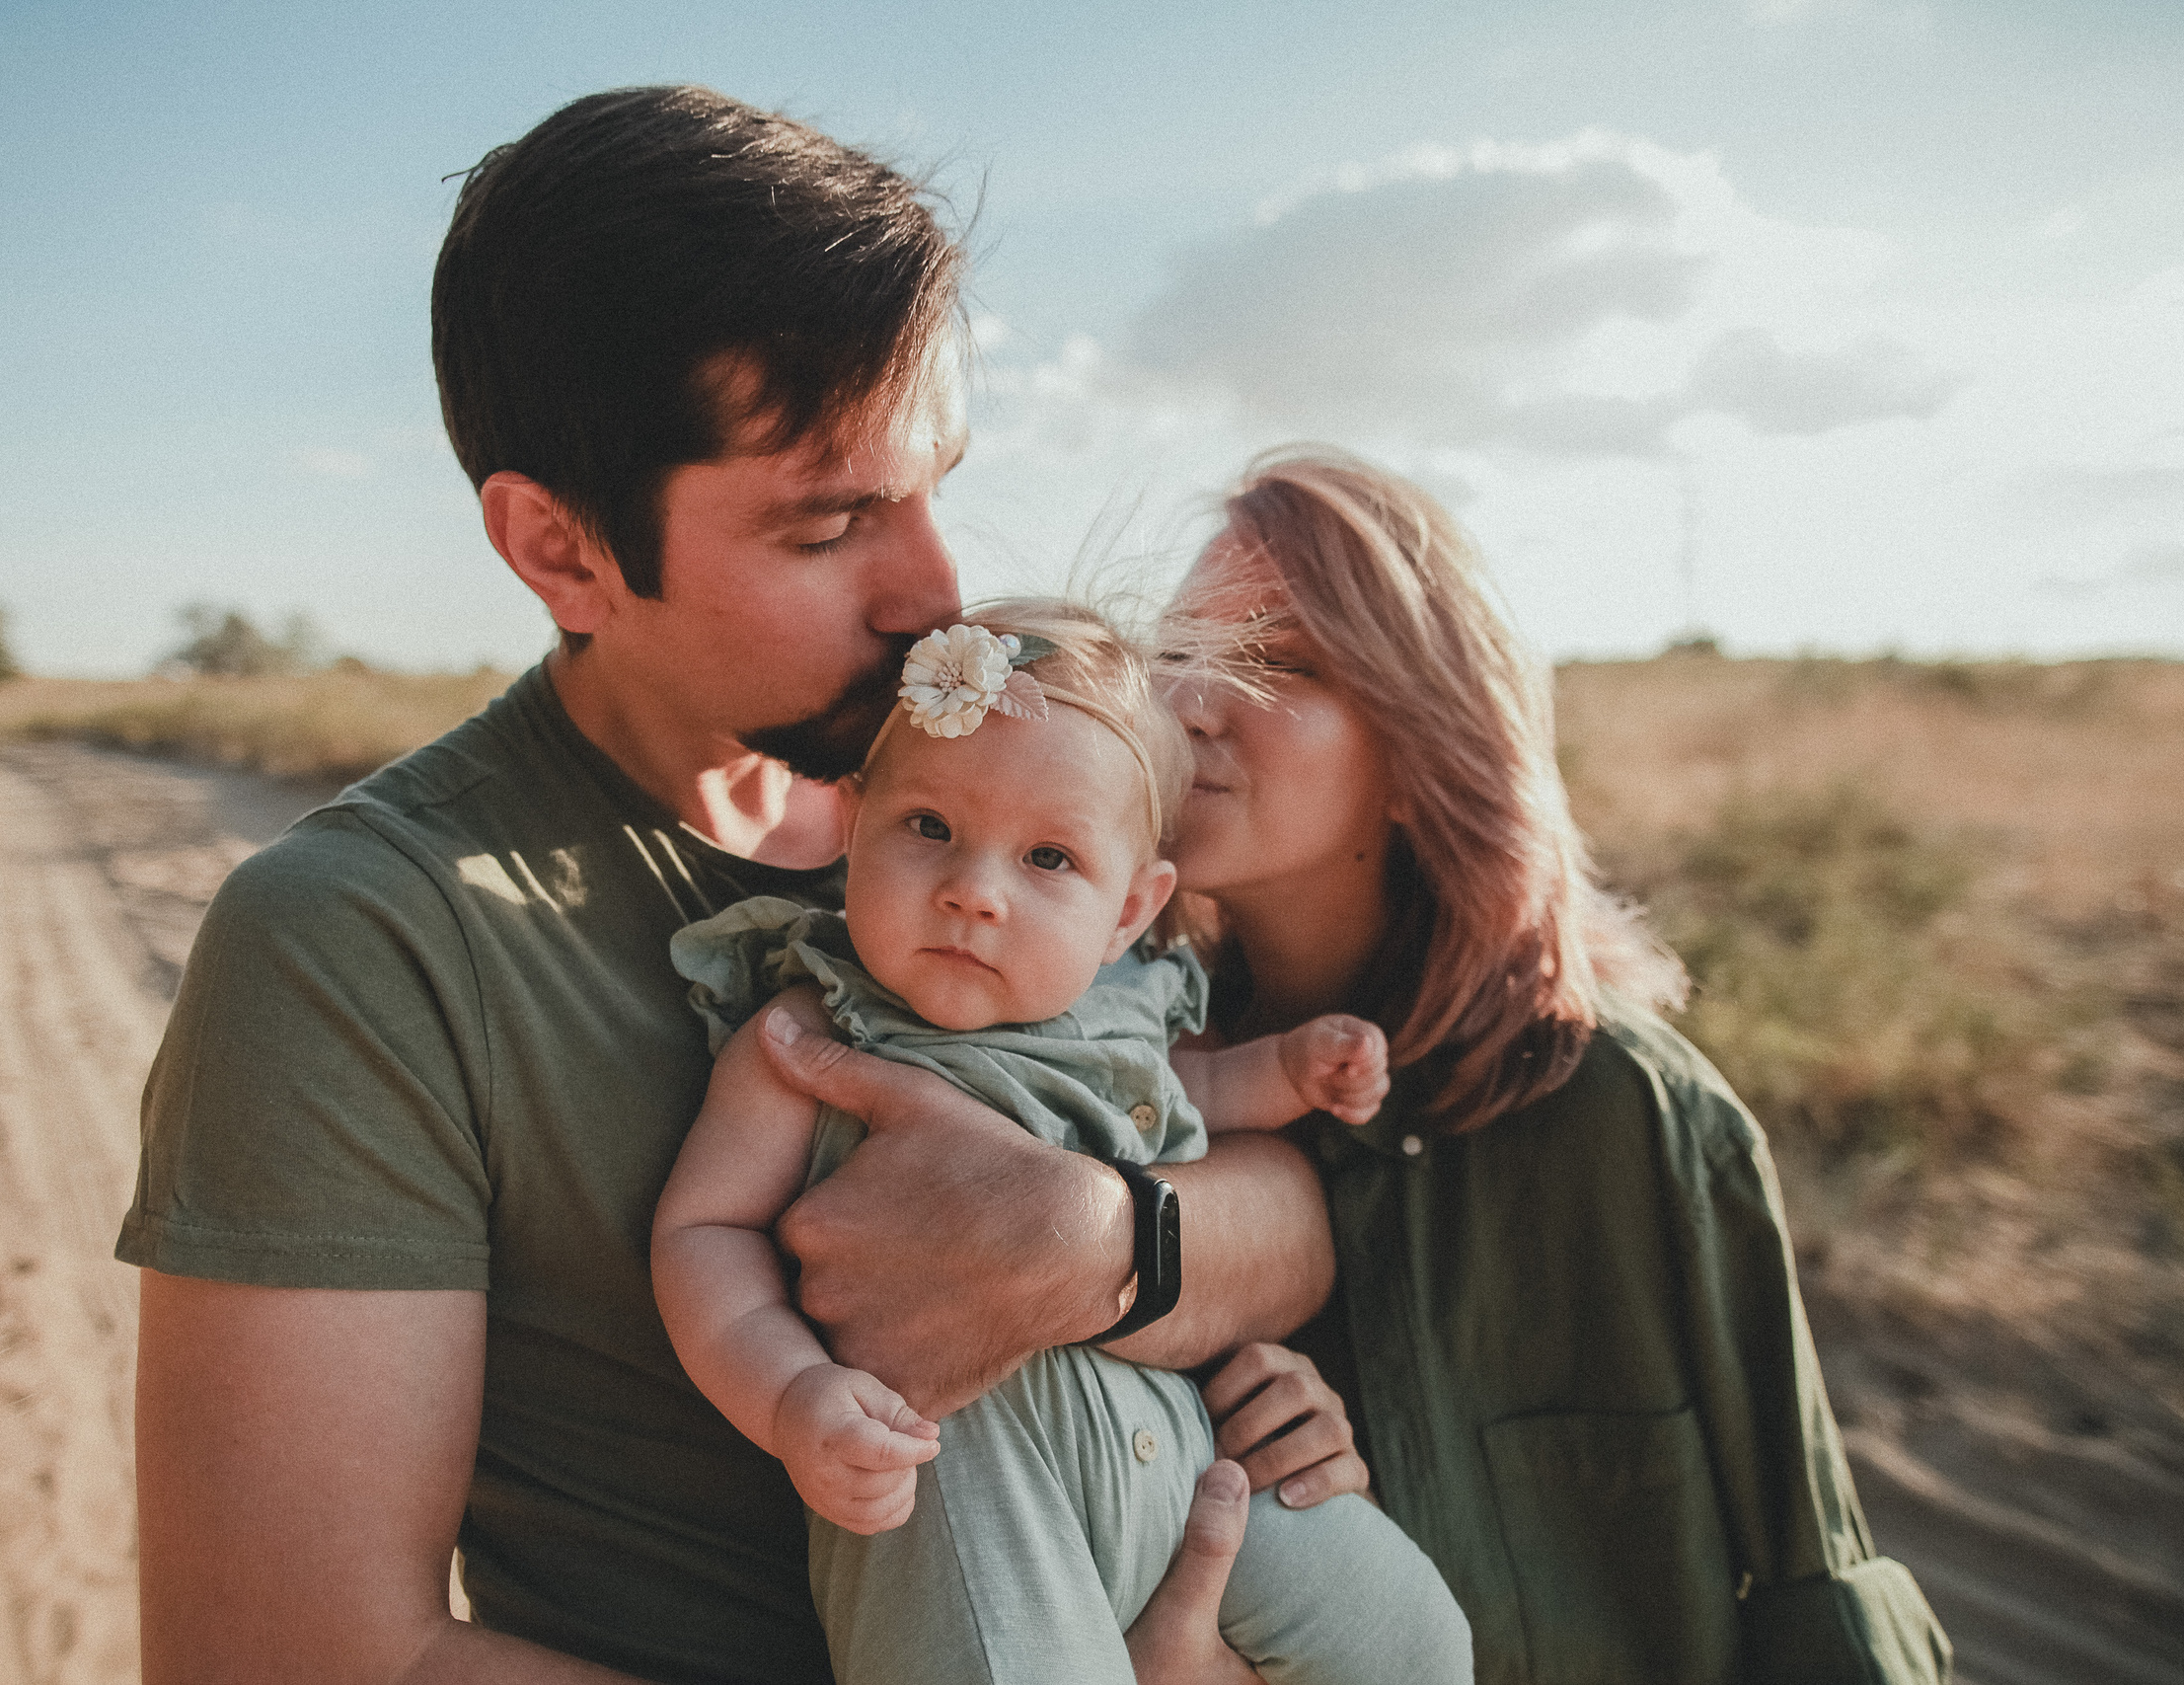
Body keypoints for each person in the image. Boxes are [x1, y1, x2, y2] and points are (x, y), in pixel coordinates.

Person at [118, 90, 1350, 1685]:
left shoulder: (1018, 796)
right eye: (833, 523)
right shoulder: (365, 940)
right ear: (561, 549)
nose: (937, 593)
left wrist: (1106, 1243)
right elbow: (288, 1654)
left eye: (934, 483)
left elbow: (1290, 1208)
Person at [1149, 448, 1957, 1685]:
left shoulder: (1630, 1110)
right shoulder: (1127, 1079)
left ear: (1422, 752)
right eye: (1176, 650)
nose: (1193, 701)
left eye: (1284, 661)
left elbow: (1814, 1586)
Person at [651, 605, 1473, 1685]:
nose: (974, 892)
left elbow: (1196, 1095)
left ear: (1130, 910)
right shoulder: (808, 1038)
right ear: (852, 823)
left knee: (1418, 1642)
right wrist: (789, 1391)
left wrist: (1291, 1069)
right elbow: (705, 1232)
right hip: (958, 1483)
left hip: (1188, 1459)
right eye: (929, 826)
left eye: (1048, 856)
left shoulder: (1124, 1017)